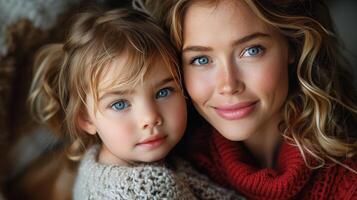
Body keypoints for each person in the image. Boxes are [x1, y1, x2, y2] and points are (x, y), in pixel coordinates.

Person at [135, 0, 357, 199]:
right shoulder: (161, 170)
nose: (229, 85)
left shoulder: (349, 175)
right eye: (201, 59)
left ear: (292, 46)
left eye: (251, 50)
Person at [28, 7, 244, 200]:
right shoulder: (149, 192)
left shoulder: (98, 161)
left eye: (164, 91)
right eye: (120, 104)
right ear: (85, 118)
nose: (150, 118)